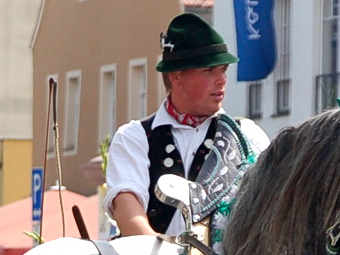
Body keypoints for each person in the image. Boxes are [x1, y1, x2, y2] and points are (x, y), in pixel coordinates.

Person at [104, 13, 270, 238]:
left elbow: (268, 210)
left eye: (223, 70)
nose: (221, 80)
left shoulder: (246, 137)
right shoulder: (135, 137)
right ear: (176, 76)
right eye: (208, 71)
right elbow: (128, 211)